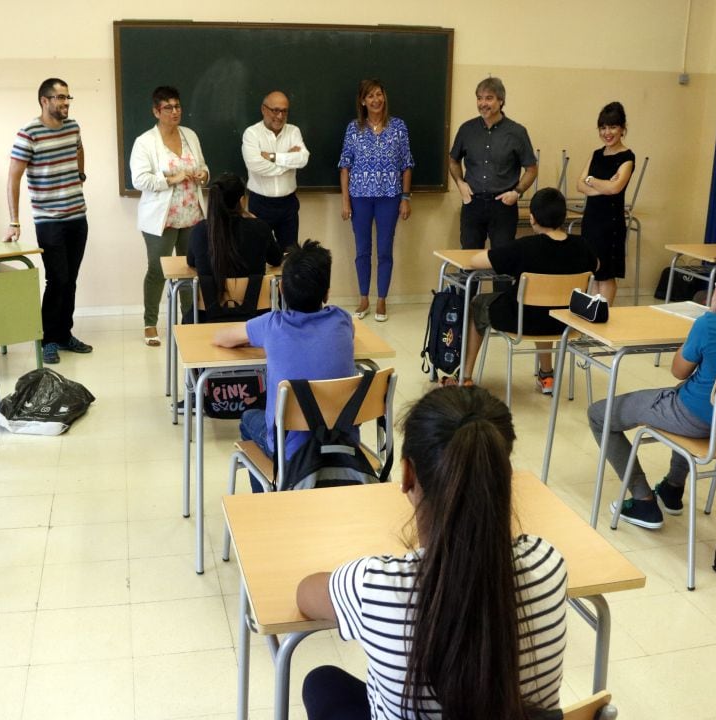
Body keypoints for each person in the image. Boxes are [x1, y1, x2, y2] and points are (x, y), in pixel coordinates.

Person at [297, 385, 568, 720]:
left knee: (321, 683)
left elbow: (305, 595)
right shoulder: (549, 564)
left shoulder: (376, 587)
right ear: (505, 476)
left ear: (408, 474)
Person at [588, 237, 716, 530]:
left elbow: (678, 370)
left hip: (697, 419)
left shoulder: (711, 325)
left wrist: (712, 314)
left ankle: (644, 502)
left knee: (599, 413)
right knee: (686, 393)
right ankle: (672, 488)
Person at [213, 240, 354, 486]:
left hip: (291, 454)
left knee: (248, 419)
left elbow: (222, 339)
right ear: (327, 292)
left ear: (281, 291)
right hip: (345, 448)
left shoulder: (271, 325)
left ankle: (273, 501)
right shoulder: (342, 320)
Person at [458, 188, 598, 393]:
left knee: (479, 303)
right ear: (563, 217)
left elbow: (475, 261)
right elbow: (598, 265)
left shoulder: (524, 247)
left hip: (523, 320)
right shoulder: (582, 246)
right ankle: (547, 375)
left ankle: (466, 377)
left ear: (532, 218)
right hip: (564, 322)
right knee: (546, 306)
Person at [5, 77, 92, 365]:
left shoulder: (72, 127)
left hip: (77, 216)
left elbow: (79, 149)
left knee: (71, 280)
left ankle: (65, 334)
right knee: (58, 279)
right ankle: (48, 339)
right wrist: (14, 221)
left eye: (68, 97)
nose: (66, 103)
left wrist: (80, 175)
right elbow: (13, 178)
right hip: (49, 220)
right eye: (60, 98)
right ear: (45, 101)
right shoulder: (29, 133)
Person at [131, 86, 209, 347]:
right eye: (168, 108)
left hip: (192, 215)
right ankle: (150, 323)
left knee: (190, 270)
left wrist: (203, 175)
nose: (175, 112)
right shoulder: (145, 142)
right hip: (161, 219)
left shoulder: (190, 135)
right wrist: (170, 179)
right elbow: (139, 179)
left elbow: (203, 165)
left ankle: (189, 321)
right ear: (156, 111)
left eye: (177, 106)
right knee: (157, 270)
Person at [339, 79, 414, 322]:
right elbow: (345, 167)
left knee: (384, 250)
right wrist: (345, 202)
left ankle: (382, 300)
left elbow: (406, 165)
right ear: (362, 101)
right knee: (362, 251)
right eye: (370, 96)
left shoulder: (398, 127)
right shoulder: (353, 128)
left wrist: (405, 198)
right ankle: (364, 298)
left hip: (389, 198)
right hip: (359, 197)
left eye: (379, 95)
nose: (375, 100)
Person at [448, 77, 537, 251]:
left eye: (489, 98)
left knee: (503, 263)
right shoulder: (467, 129)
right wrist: (460, 183)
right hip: (472, 203)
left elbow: (531, 169)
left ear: (501, 100)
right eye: (479, 98)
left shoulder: (517, 132)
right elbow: (453, 160)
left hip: (503, 206)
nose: (483, 103)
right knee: (469, 260)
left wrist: (517, 193)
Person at [185, 173, 283, 322]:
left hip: (206, 319)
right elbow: (276, 259)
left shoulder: (200, 230)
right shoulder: (259, 228)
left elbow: (191, 262)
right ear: (242, 201)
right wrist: (257, 223)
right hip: (256, 320)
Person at [577, 101, 635, 306]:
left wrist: (592, 181)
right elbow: (579, 184)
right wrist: (600, 185)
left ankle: (602, 317)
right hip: (591, 221)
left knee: (607, 274)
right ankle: (590, 317)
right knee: (593, 271)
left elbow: (615, 189)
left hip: (611, 223)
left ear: (622, 129)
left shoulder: (627, 157)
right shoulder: (596, 154)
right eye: (603, 127)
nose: (607, 132)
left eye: (612, 127)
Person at [241, 90, 310, 253]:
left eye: (284, 111)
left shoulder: (293, 131)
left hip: (288, 204)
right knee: (257, 254)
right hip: (260, 204)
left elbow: (303, 159)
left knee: (289, 256)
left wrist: (273, 157)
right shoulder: (251, 134)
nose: (280, 116)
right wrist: (288, 161)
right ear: (264, 109)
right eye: (275, 110)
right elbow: (255, 165)